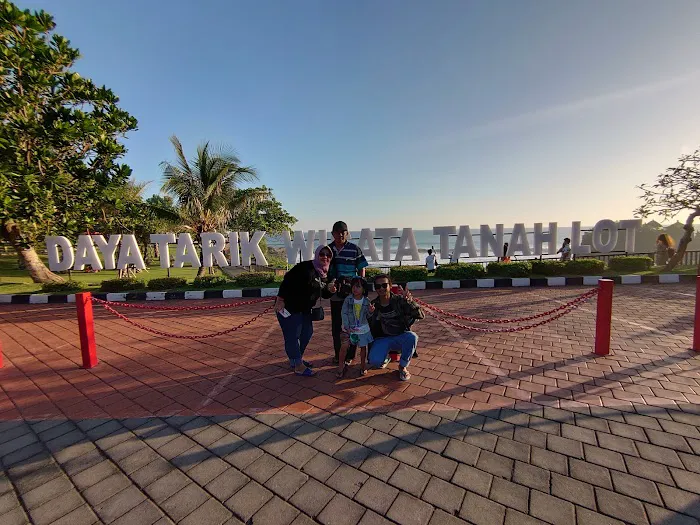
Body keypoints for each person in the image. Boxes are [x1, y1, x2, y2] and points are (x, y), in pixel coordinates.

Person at [275, 245, 336, 376]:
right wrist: (280, 299)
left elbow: (323, 293)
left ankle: (296, 359)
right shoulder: (306, 267)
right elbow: (287, 280)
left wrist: (330, 291)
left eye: (328, 255)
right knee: (292, 336)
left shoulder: (325, 273)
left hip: (304, 309)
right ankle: (298, 365)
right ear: (317, 254)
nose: (325, 257)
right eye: (322, 254)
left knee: (307, 333)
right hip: (288, 307)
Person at [367, 273, 424, 381]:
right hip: (383, 339)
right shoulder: (374, 305)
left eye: (384, 285)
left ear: (390, 285)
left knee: (412, 337)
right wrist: (370, 315)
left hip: (400, 336)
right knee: (375, 361)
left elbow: (420, 315)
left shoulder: (399, 300)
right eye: (378, 286)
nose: (381, 288)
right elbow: (370, 327)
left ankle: (403, 366)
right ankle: (385, 356)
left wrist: (410, 302)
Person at [327, 221, 368, 365]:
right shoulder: (328, 250)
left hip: (352, 293)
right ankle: (338, 355)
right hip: (336, 293)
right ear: (332, 234)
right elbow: (322, 268)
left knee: (353, 325)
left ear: (347, 233)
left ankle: (350, 355)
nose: (340, 235)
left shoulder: (355, 249)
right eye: (337, 232)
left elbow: (362, 268)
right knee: (337, 326)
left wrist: (360, 286)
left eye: (343, 232)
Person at [339, 277, 374, 378]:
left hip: (363, 328)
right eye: (353, 286)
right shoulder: (348, 299)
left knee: (363, 348)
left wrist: (371, 311)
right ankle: (341, 366)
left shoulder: (367, 301)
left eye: (358, 286)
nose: (355, 289)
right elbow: (344, 313)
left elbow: (368, 315)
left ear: (364, 289)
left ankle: (363, 366)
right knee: (344, 346)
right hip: (349, 328)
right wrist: (346, 326)